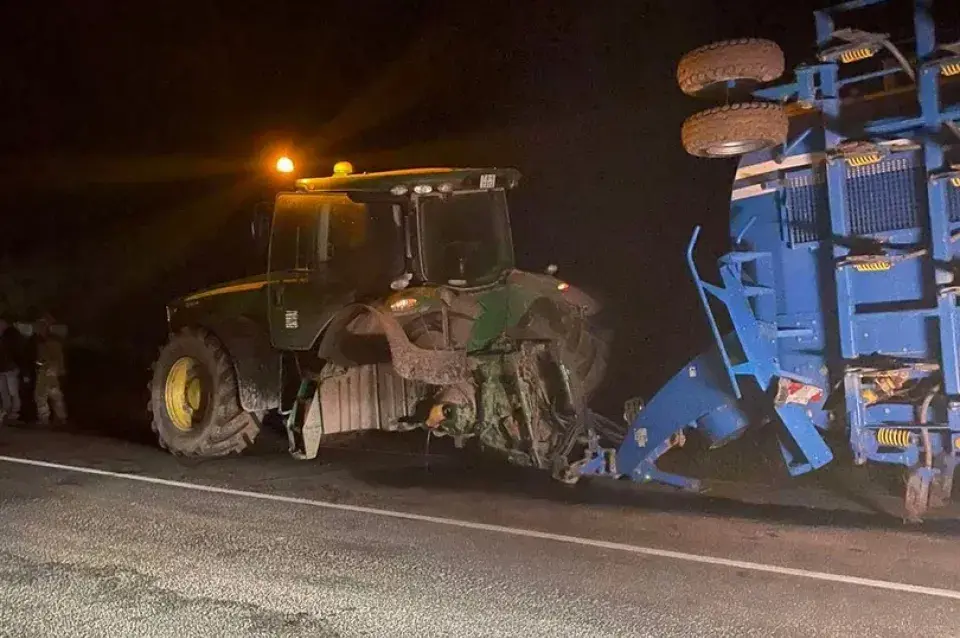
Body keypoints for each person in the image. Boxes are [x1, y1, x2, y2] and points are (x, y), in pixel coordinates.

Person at [34, 314, 67, 425]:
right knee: (54, 394)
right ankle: (60, 417)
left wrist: (40, 365)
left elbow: (44, 359)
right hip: (51, 370)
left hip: (47, 371)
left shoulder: (46, 342)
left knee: (42, 395)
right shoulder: (54, 341)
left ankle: (45, 419)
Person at [0, 317, 21, 424]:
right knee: (4, 392)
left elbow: (15, 352)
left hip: (10, 368)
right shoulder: (3, 337)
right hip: (3, 368)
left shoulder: (11, 336)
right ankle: (7, 411)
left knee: (12, 391)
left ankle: (14, 412)